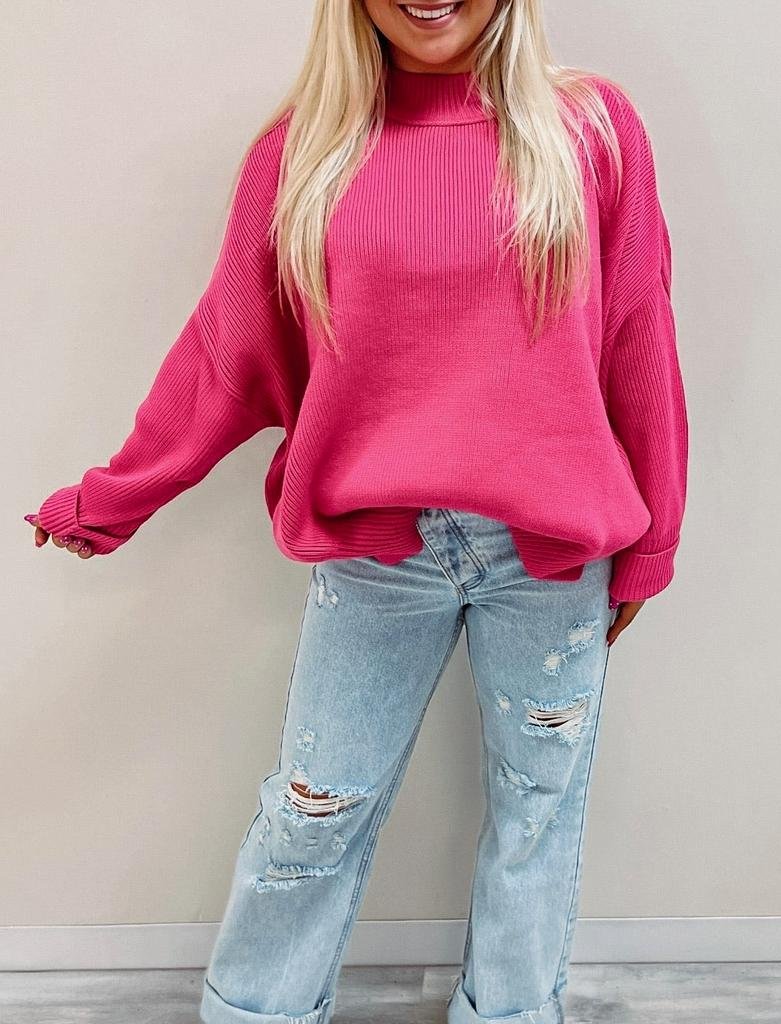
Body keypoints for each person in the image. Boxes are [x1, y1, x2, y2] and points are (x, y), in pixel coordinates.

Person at [25, 2, 688, 1021]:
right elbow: (227, 355)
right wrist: (111, 499)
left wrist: (652, 544)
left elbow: (639, 333)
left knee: (539, 815)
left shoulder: (592, 131)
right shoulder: (300, 153)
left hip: (551, 554)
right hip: (378, 553)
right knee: (313, 810)